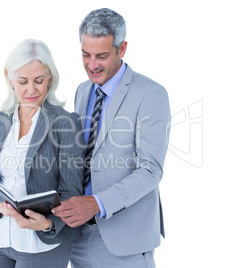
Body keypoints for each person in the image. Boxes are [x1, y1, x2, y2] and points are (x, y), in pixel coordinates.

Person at [52, 8, 171, 268]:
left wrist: (96, 204)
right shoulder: (83, 91)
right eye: (86, 54)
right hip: (79, 235)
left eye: (101, 56)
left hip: (125, 241)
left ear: (122, 49)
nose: (92, 65)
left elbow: (150, 170)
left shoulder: (151, 94)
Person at [0, 39, 85, 268]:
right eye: (23, 81)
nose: (31, 89)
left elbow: (71, 192)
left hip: (42, 243)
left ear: (50, 78)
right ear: (10, 80)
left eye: (39, 80)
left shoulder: (65, 123)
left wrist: (48, 223)